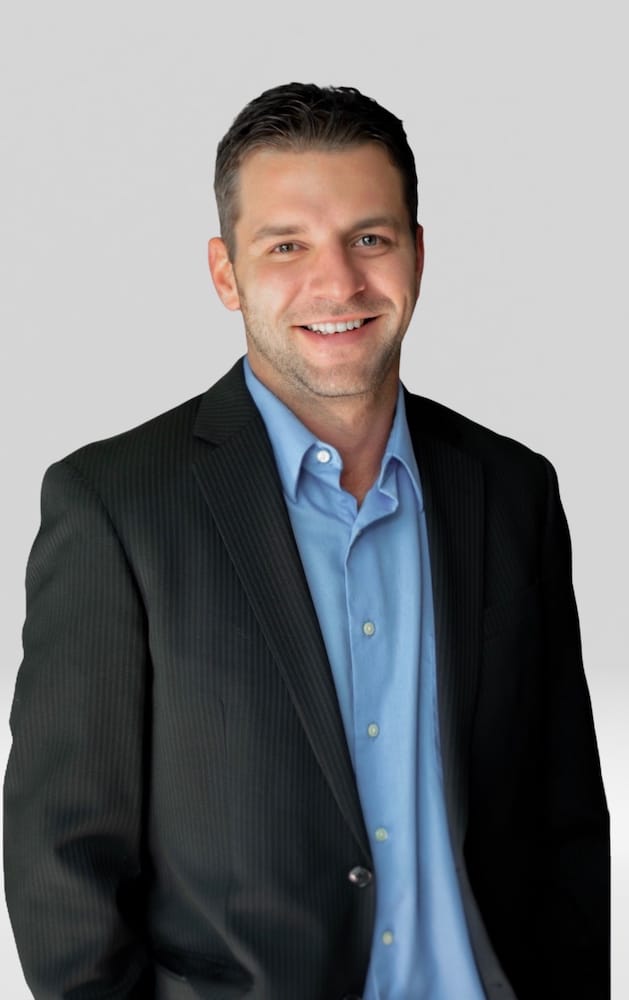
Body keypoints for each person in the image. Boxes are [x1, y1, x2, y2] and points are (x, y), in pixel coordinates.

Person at [4, 83, 609, 1000]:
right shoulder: (116, 506)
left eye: (370, 239)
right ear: (225, 273)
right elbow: (61, 859)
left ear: (417, 254)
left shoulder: (513, 490)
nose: (338, 284)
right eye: (286, 246)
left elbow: (565, 823)